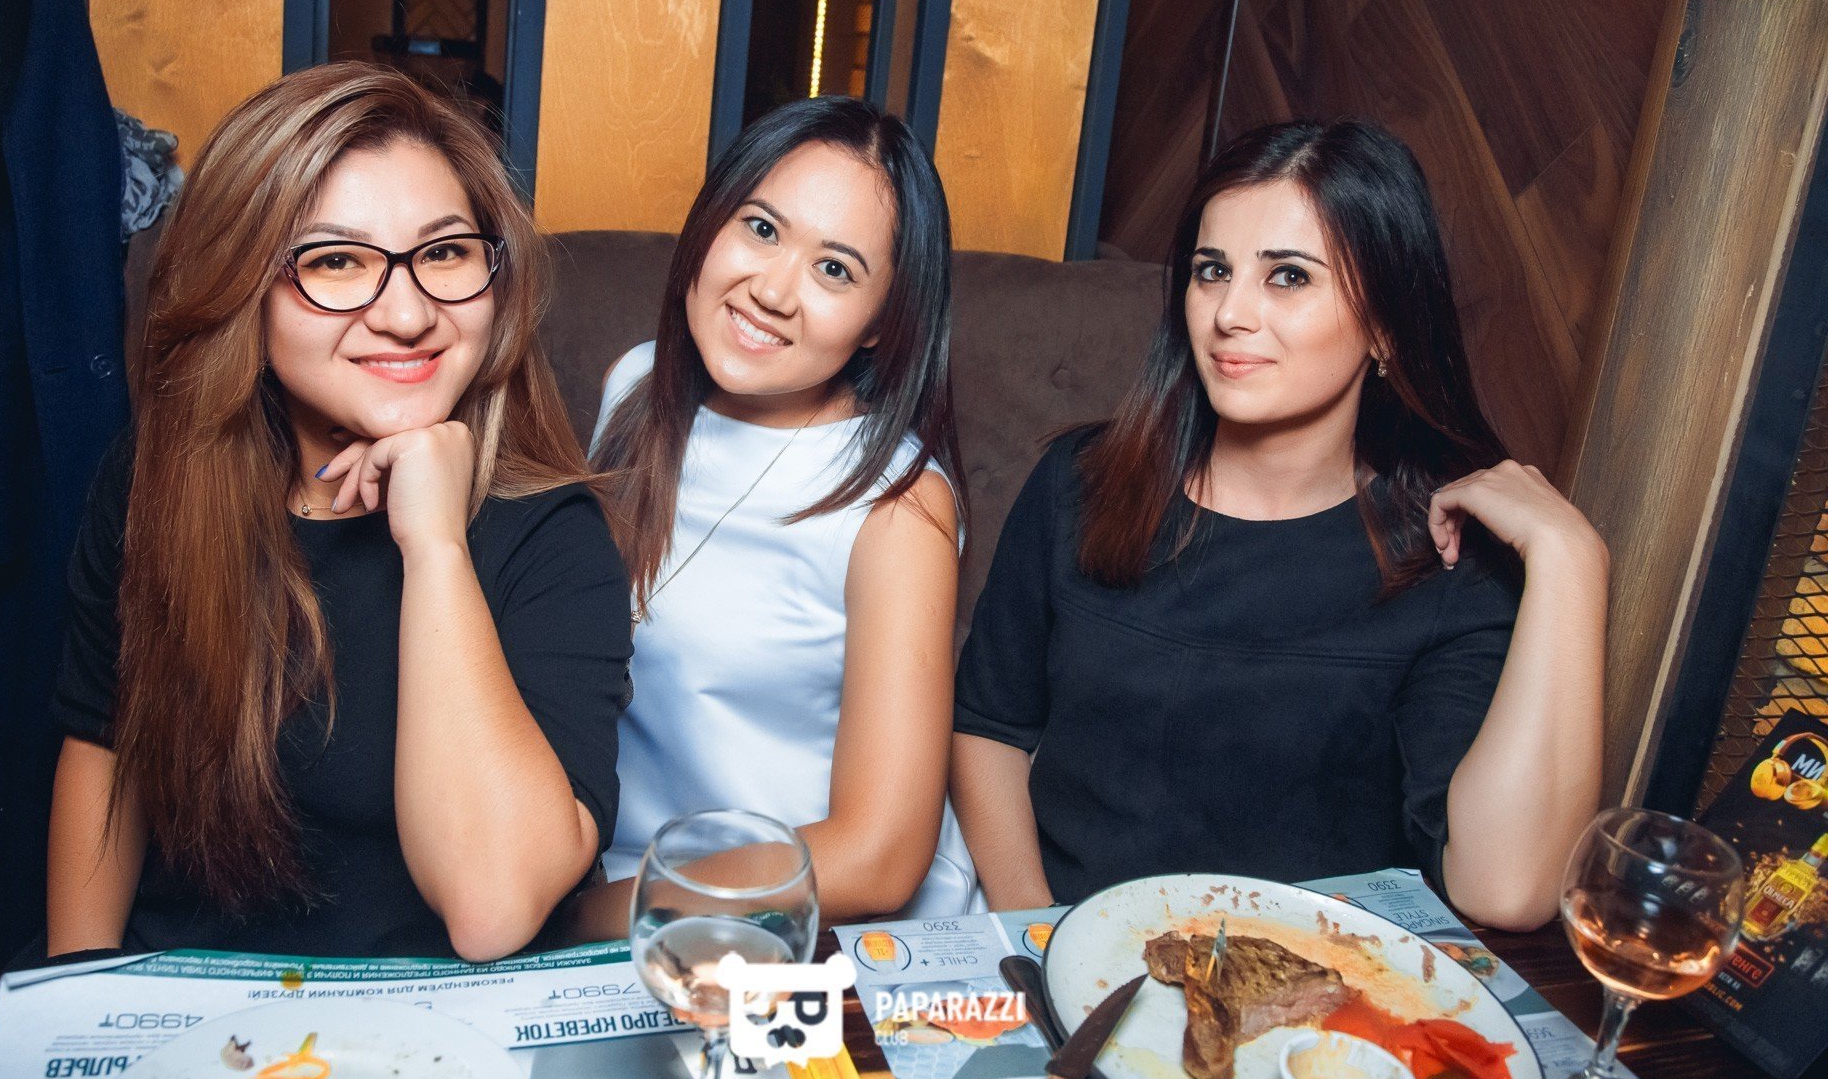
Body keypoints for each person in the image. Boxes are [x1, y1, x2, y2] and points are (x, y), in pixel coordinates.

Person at [951, 120, 1606, 931]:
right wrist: (1043, 936)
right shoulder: (1080, 483)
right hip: (1071, 948)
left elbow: (1507, 890)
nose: (1230, 312)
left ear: (1386, 324)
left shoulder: (1442, 563)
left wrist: (1571, 556)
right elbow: (988, 728)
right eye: (1212, 270)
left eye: (1288, 276)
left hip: (1308, 983)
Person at [46, 63, 632, 962]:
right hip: (188, 1000)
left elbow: (492, 909)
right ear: (244, 286)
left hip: (426, 1017)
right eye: (335, 261)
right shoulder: (157, 478)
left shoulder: (553, 534)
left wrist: (434, 545)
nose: (408, 313)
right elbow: (103, 748)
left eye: (444, 252)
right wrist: (78, 995)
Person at [560, 96, 977, 940]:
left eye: (836, 270)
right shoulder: (634, 386)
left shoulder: (899, 507)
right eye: (761, 228)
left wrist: (587, 919)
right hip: (624, 878)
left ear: (881, 323)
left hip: (810, 922)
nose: (773, 291)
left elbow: (879, 855)